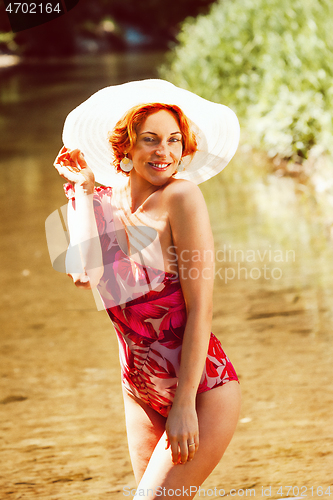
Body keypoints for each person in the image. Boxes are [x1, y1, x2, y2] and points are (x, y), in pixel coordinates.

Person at [53, 79, 241, 499]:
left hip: (201, 392)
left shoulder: (182, 198)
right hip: (137, 387)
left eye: (174, 140)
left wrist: (184, 405)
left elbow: (201, 311)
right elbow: (82, 273)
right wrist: (82, 191)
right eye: (151, 139)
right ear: (126, 149)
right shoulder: (100, 199)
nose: (165, 152)